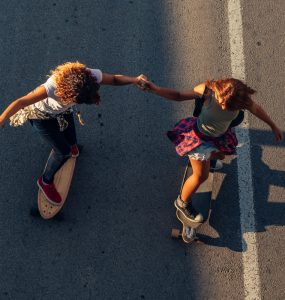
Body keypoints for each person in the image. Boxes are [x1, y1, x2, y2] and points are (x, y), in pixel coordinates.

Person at [138, 77, 283, 223]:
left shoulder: (241, 99)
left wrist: (273, 126)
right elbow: (179, 96)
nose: (225, 108)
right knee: (201, 176)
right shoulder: (207, 91)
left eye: (231, 107)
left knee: (219, 155)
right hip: (199, 140)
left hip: (218, 136)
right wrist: (155, 89)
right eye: (223, 103)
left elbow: (256, 109)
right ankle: (181, 202)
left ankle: (210, 159)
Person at [0, 61, 145, 205]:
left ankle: (72, 148)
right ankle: (45, 181)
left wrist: (134, 80)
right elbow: (20, 102)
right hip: (41, 116)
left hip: (62, 110)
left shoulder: (87, 75)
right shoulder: (51, 87)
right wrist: (1, 120)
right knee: (62, 151)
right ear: (68, 93)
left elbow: (113, 79)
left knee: (72, 141)